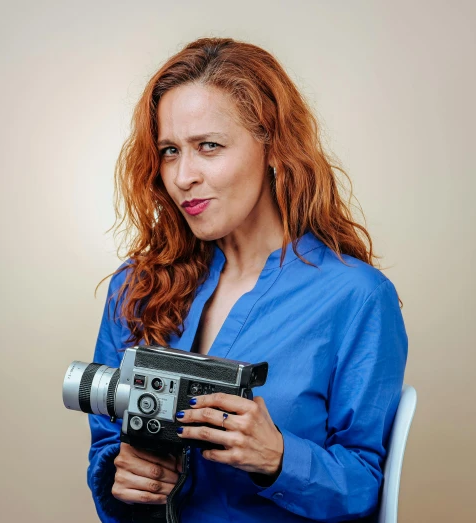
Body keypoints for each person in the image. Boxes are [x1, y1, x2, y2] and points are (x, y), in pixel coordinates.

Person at [87, 37, 408, 522]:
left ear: (273, 148)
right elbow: (108, 448)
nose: (182, 176)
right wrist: (124, 475)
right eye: (170, 151)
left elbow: (366, 486)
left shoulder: (356, 298)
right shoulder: (135, 288)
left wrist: (279, 457)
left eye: (209, 147)